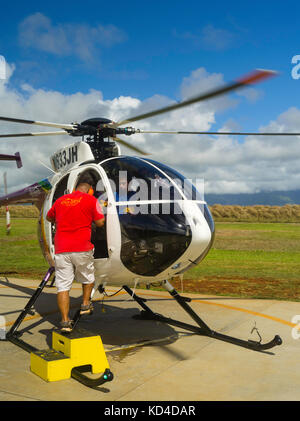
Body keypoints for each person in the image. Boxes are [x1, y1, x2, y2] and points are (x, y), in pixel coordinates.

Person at [46, 173, 105, 333]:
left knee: (63, 286)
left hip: (62, 249)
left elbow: (49, 217)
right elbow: (100, 223)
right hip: (82, 248)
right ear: (91, 190)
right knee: (87, 276)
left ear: (74, 188)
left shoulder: (60, 201)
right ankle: (85, 304)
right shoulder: (91, 200)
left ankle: (65, 321)